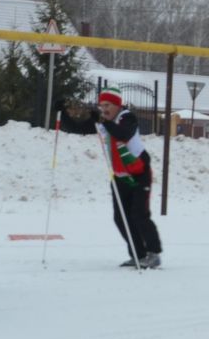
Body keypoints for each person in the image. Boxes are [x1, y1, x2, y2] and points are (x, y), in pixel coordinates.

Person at [58, 86, 162, 269]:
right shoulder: (103, 121)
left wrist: (102, 121)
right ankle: (138, 254)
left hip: (139, 173)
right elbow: (76, 128)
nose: (104, 109)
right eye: (101, 106)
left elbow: (122, 133)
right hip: (119, 175)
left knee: (139, 215)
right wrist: (62, 113)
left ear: (117, 105)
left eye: (107, 105)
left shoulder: (127, 117)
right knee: (121, 218)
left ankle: (154, 254)